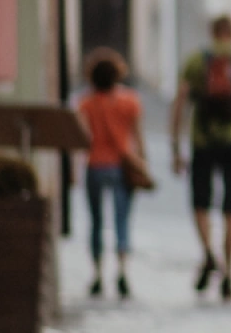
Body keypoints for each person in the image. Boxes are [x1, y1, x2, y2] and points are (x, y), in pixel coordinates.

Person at [169, 15, 231, 301]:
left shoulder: (196, 62)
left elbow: (179, 103)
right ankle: (229, 273)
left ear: (212, 33)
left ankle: (209, 254)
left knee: (200, 204)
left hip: (203, 142)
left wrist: (176, 147)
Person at [76, 47, 146, 300]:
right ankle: (122, 271)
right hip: (121, 166)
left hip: (95, 165)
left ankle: (96, 275)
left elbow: (82, 140)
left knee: (96, 221)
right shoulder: (130, 102)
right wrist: (142, 163)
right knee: (122, 220)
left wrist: (74, 171)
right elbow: (137, 137)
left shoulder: (85, 103)